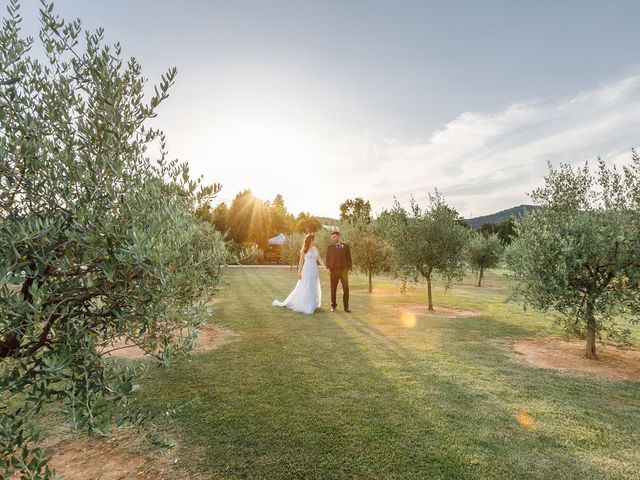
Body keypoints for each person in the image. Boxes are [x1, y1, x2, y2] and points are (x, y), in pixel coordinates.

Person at [272, 234, 327, 314]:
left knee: (312, 286)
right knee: (306, 286)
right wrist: (299, 272)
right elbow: (301, 261)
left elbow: (320, 260)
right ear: (311, 240)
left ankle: (312, 302)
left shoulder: (315, 249)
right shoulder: (304, 249)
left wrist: (325, 268)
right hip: (307, 270)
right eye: (314, 239)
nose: (315, 241)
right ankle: (307, 304)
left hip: (314, 270)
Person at [325, 230, 352, 312]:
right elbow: (327, 259)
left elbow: (349, 258)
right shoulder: (330, 247)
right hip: (333, 271)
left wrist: (350, 269)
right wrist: (328, 268)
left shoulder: (346, 246)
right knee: (333, 289)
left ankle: (346, 307)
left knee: (346, 289)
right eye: (332, 237)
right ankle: (333, 306)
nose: (333, 239)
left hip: (344, 271)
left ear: (338, 236)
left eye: (334, 237)